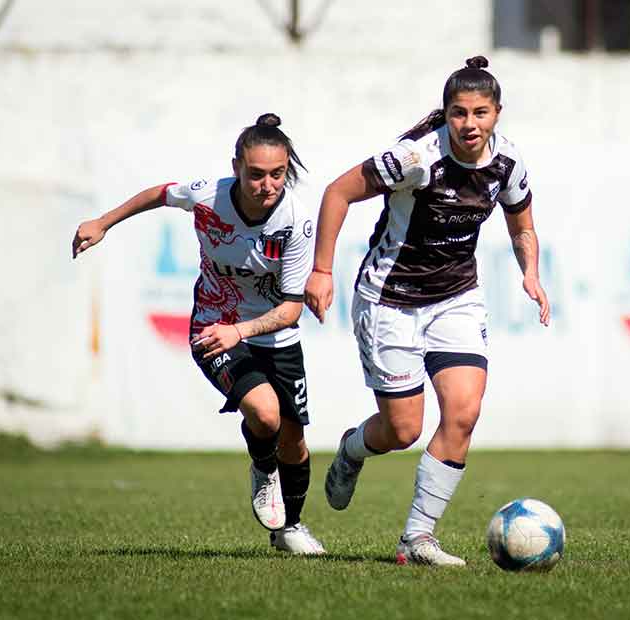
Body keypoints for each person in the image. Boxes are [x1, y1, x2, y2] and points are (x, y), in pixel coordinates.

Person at [305, 57, 549, 566]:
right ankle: (353, 450)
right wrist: (322, 271)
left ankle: (417, 538)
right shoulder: (416, 157)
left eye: (481, 113)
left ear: (498, 114)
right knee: (402, 431)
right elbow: (338, 192)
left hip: (456, 296)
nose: (470, 124)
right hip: (389, 299)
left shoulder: (508, 162)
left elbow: (521, 224)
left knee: (463, 412)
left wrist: (531, 273)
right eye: (459, 113)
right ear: (446, 113)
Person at [72, 113, 325, 555]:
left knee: (294, 441)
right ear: (236, 168)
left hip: (271, 336)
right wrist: (103, 222)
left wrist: (241, 330)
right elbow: (158, 194)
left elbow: (289, 310)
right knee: (264, 415)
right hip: (212, 326)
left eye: (278, 175)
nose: (267, 185)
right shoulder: (208, 196)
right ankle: (263, 470)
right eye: (256, 174)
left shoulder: (296, 222)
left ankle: (290, 528)